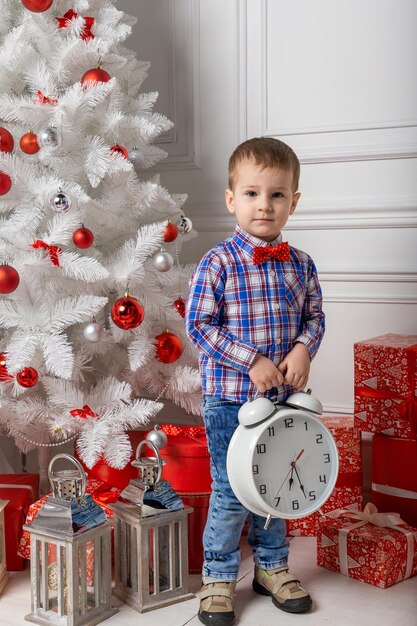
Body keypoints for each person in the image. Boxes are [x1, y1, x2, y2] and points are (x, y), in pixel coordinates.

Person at [185, 137, 325, 626]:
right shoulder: (217, 263)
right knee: (230, 490)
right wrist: (251, 360)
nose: (264, 205)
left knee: (278, 481)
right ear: (231, 199)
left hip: (283, 401)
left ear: (294, 201)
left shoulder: (302, 264)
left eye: (277, 195)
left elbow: (314, 318)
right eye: (251, 194)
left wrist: (304, 347)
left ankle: (271, 568)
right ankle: (219, 577)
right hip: (230, 399)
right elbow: (200, 325)